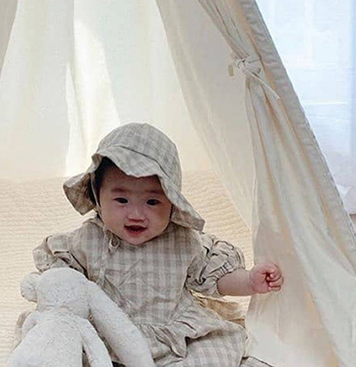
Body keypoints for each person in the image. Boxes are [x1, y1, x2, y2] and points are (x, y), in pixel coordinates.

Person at [33, 123, 283, 366]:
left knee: (213, 350)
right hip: (112, 337)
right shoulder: (88, 239)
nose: (136, 214)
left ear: (172, 203)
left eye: (152, 202)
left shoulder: (183, 241)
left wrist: (249, 281)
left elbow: (215, 277)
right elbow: (61, 278)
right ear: (98, 197)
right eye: (121, 200)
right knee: (62, 349)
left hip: (174, 337)